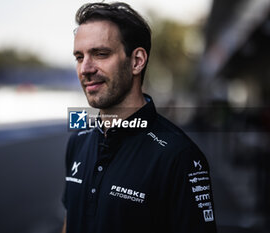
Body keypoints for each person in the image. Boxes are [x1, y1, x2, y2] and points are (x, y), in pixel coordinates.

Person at [62, 2, 217, 233]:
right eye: (79, 56)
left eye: (100, 54)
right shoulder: (78, 140)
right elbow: (70, 221)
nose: (85, 68)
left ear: (136, 61)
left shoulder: (179, 156)